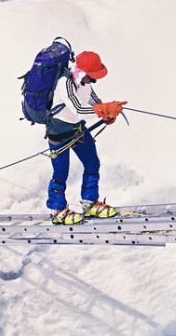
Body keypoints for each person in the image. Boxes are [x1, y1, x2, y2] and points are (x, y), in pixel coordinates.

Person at [45, 50, 127, 225]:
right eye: (92, 77)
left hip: (77, 129)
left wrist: (108, 111)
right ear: (82, 72)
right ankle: (57, 210)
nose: (93, 80)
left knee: (92, 164)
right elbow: (79, 110)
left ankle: (89, 204)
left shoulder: (86, 83)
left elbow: (96, 103)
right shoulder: (65, 84)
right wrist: (103, 110)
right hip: (58, 133)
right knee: (60, 173)